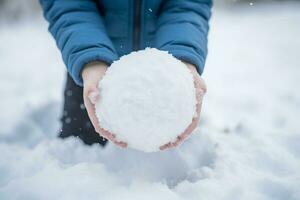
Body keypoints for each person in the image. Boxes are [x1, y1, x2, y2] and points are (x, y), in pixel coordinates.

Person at [39, 0, 212, 149]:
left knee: (177, 160)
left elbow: (187, 5)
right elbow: (69, 6)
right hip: (93, 75)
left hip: (166, 79)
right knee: (80, 153)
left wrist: (182, 59)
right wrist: (90, 59)